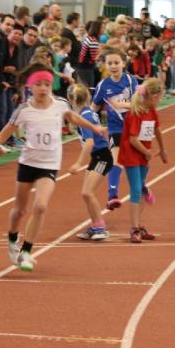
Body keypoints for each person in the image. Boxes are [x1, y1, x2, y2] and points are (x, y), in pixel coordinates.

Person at [0, 63, 107, 272]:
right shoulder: (23, 110)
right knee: (19, 211)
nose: (43, 88)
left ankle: (26, 251)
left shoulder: (60, 104)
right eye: (39, 84)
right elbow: (1, 137)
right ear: (30, 87)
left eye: (47, 84)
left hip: (49, 164)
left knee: (41, 206)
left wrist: (94, 127)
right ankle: (12, 238)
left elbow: (73, 117)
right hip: (28, 163)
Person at [116, 77, 168, 243]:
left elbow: (157, 129)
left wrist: (163, 149)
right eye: (160, 97)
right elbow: (133, 140)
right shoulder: (135, 113)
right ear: (154, 96)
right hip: (132, 154)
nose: (160, 100)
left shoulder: (152, 111)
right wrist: (147, 152)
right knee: (137, 190)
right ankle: (134, 229)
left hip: (143, 155)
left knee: (141, 189)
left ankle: (138, 224)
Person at [91, 47, 138, 210]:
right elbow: (94, 107)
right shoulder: (103, 85)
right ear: (105, 65)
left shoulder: (131, 81)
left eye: (116, 62)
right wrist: (92, 124)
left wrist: (120, 104)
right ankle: (112, 195)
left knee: (135, 162)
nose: (113, 66)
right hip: (115, 128)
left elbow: (137, 104)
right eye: (109, 63)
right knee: (116, 158)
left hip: (133, 127)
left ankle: (142, 188)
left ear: (123, 63)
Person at [68, 83, 112, 241]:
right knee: (86, 194)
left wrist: (78, 163)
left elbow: (89, 142)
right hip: (98, 156)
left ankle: (100, 228)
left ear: (71, 100)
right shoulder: (88, 112)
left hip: (102, 157)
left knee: (87, 192)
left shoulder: (85, 116)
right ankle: (95, 226)